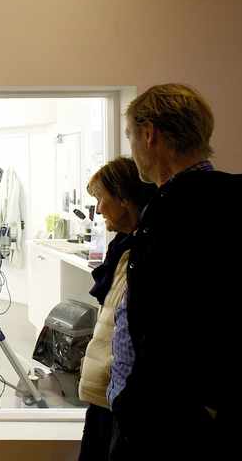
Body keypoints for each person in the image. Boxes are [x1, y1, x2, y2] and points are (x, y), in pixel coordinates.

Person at [111, 84, 242, 459]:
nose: (132, 150)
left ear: (150, 134)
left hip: (174, 421)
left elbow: (162, 326)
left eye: (131, 136)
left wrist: (133, 403)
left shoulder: (172, 211)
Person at [77, 157, 156, 461]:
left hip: (122, 400)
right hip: (105, 396)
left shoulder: (141, 255)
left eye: (100, 198)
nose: (97, 209)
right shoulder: (123, 249)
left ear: (123, 198)